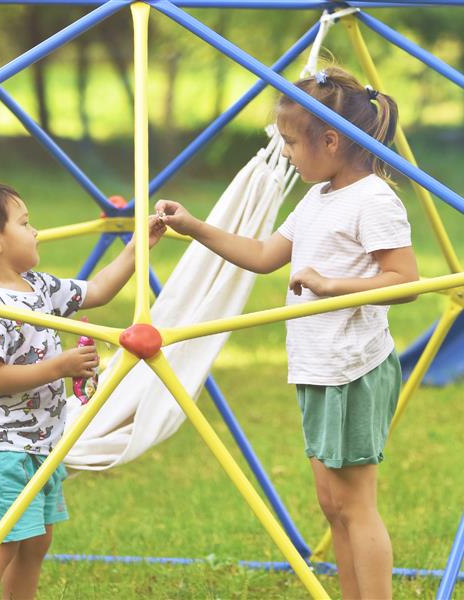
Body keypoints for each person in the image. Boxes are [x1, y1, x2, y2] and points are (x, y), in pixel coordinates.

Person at [156, 66, 418, 599]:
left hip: (353, 367)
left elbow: (405, 282)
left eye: (291, 143)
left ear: (330, 139)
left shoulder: (374, 199)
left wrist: (329, 285)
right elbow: (262, 256)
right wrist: (194, 226)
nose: (288, 154)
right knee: (332, 503)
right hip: (318, 365)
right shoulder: (318, 197)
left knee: (355, 504)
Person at [0, 180, 165, 600]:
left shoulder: (37, 287)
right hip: (3, 454)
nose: (36, 231)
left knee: (36, 543)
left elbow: (97, 290)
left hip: (43, 447)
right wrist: (57, 367)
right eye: (25, 222)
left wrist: (137, 248)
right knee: (4, 545)